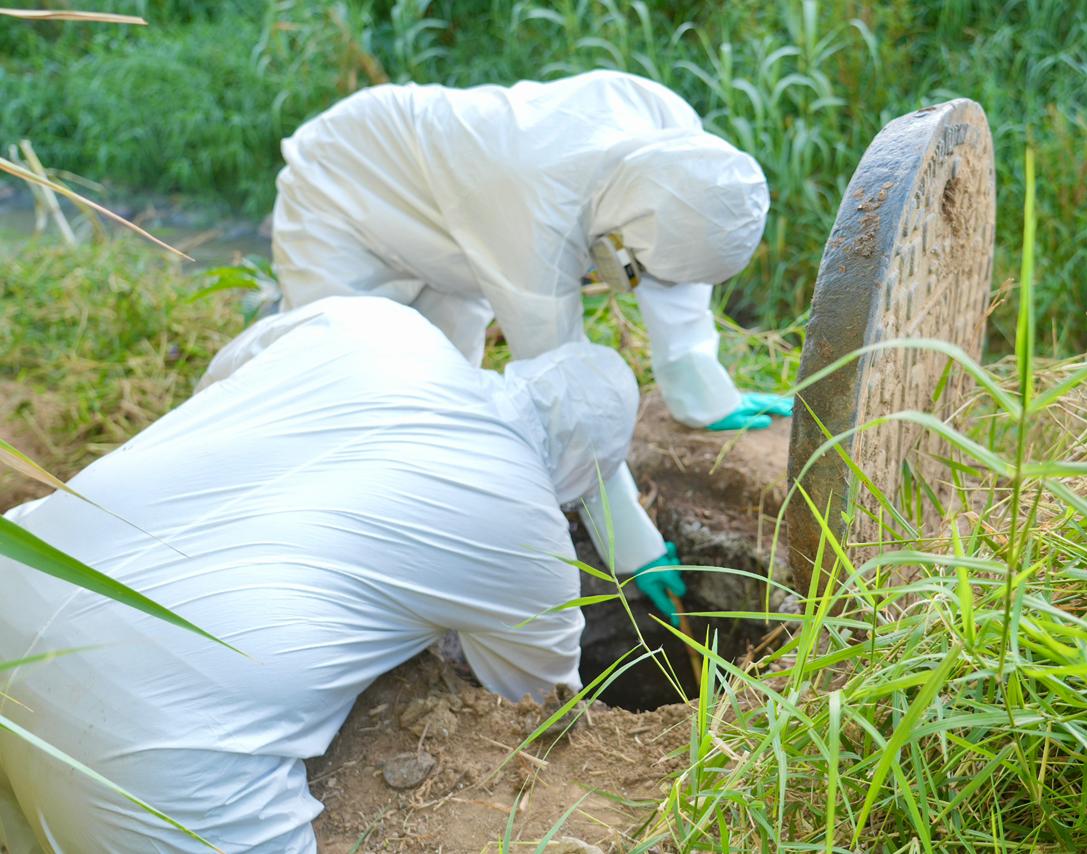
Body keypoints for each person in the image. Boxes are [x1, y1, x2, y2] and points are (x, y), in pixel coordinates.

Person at [0, 296, 637, 852]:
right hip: (159, 735)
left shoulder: (380, 326)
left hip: (21, 568)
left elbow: (225, 372)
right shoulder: (530, 528)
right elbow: (542, 708)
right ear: (586, 478)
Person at [271, 69, 791, 624]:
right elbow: (565, 393)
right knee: (348, 376)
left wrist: (702, 392)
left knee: (438, 395)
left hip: (451, 212)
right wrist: (629, 542)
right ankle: (313, 550)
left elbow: (678, 260)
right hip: (346, 184)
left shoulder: (677, 143)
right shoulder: (536, 206)